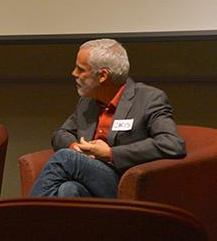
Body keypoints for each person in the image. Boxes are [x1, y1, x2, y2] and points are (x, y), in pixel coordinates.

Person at [29, 38, 186, 198]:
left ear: (103, 76)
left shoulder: (148, 99)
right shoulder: (87, 102)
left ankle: (24, 219)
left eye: (80, 69)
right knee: (69, 189)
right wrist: (76, 148)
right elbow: (60, 134)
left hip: (124, 181)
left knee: (66, 158)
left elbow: (172, 144)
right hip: (89, 180)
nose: (74, 73)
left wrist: (111, 153)